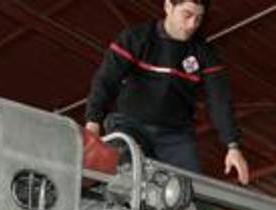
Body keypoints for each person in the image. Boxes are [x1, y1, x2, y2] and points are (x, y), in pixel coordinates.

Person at [84, 0, 250, 184]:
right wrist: (93, 122)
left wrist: (232, 145)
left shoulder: (204, 53)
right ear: (168, 7)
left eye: (198, 18)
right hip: (131, 126)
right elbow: (106, 80)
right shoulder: (137, 38)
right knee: (123, 177)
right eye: (187, 15)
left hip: (175, 135)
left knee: (190, 191)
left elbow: (219, 99)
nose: (192, 25)